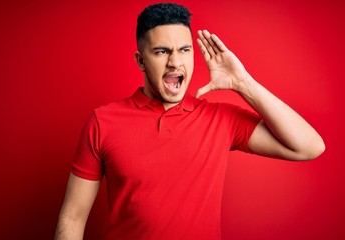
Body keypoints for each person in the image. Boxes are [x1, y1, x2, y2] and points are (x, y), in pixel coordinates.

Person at [54, 3, 325, 240]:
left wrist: (243, 84)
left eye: (184, 50)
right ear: (140, 61)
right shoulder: (102, 122)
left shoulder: (220, 119)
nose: (175, 62)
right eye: (161, 52)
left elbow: (309, 146)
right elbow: (73, 218)